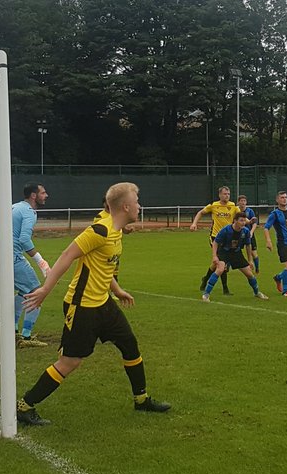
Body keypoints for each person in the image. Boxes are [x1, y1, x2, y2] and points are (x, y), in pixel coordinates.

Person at [16, 182, 171, 426]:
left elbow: (103, 266)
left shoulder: (116, 230)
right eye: (137, 202)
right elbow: (68, 255)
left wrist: (118, 291)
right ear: (126, 206)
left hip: (104, 304)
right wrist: (45, 289)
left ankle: (141, 400)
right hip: (82, 307)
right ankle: (24, 406)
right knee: (70, 362)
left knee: (130, 345)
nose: (140, 206)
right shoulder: (100, 230)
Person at [12, 183, 53, 347]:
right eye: (43, 193)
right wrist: (41, 262)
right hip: (12, 256)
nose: (46, 195)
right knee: (37, 292)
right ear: (34, 196)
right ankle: (26, 337)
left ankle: (13, 331)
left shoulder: (14, 206)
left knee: (23, 292)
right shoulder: (29, 212)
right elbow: (23, 239)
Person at [202, 212, 269, 302]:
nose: (243, 223)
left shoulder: (245, 231)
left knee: (249, 274)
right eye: (241, 220)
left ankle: (257, 292)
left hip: (236, 253)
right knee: (220, 270)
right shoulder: (226, 230)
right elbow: (215, 242)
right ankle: (206, 294)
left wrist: (250, 260)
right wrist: (214, 256)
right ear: (235, 221)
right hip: (224, 252)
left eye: (244, 221)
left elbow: (248, 246)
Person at [190, 186, 239, 295]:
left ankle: (205, 279)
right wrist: (194, 223)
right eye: (225, 194)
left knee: (216, 263)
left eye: (228, 194)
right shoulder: (214, 205)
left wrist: (250, 221)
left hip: (228, 238)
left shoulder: (233, 206)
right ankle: (225, 289)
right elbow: (200, 213)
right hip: (215, 237)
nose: (227, 196)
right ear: (220, 195)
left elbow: (242, 217)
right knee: (223, 262)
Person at [237, 195, 260, 273]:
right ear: (238, 202)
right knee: (233, 250)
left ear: (246, 202)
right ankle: (226, 268)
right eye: (241, 201)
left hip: (248, 234)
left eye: (244, 201)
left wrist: (251, 232)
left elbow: (254, 223)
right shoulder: (236, 211)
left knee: (253, 253)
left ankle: (257, 269)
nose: (243, 202)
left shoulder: (250, 211)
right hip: (238, 235)